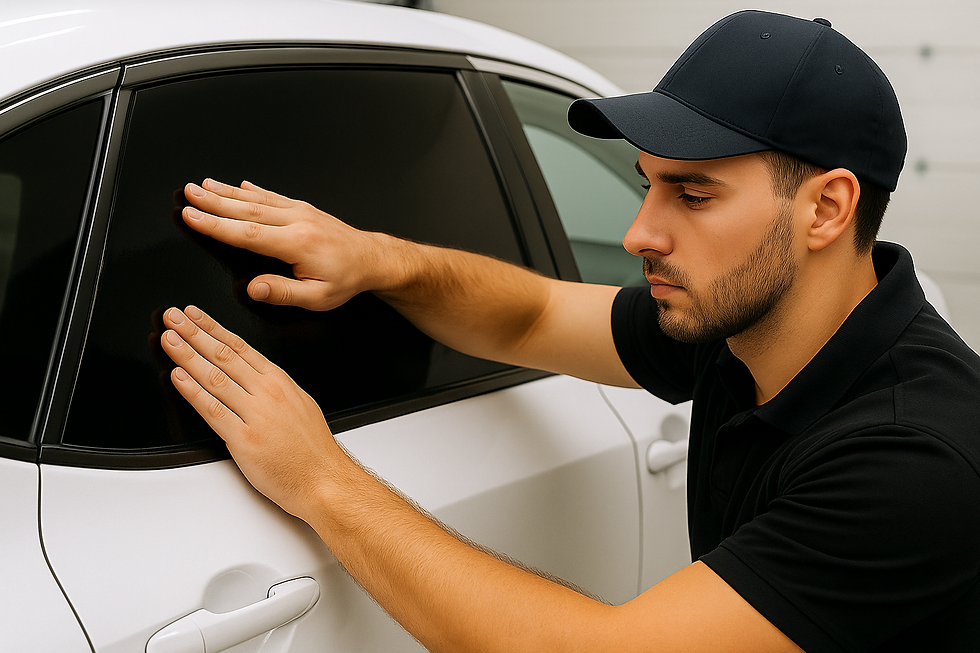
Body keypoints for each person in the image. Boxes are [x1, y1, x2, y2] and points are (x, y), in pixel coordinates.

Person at [159, 10, 980, 652]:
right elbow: (536, 313)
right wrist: (375, 258)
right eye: (646, 185)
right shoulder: (742, 323)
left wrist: (321, 477)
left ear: (826, 208)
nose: (639, 233)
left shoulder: (916, 457)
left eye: (692, 196)